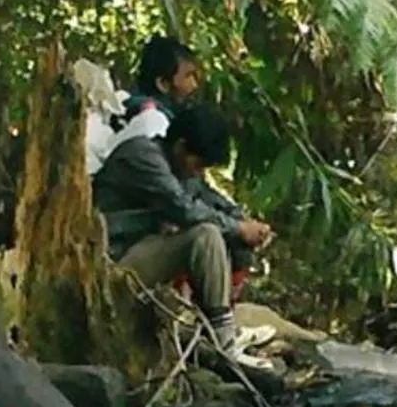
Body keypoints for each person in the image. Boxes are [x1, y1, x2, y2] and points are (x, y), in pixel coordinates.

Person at [92, 102, 273, 355]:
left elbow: (214, 201)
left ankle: (217, 329)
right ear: (180, 147)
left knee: (217, 231)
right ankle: (223, 339)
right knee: (205, 235)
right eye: (198, 164)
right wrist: (239, 229)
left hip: (137, 256)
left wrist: (247, 225)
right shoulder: (142, 156)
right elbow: (185, 210)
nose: (199, 172)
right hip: (111, 262)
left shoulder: (181, 169)